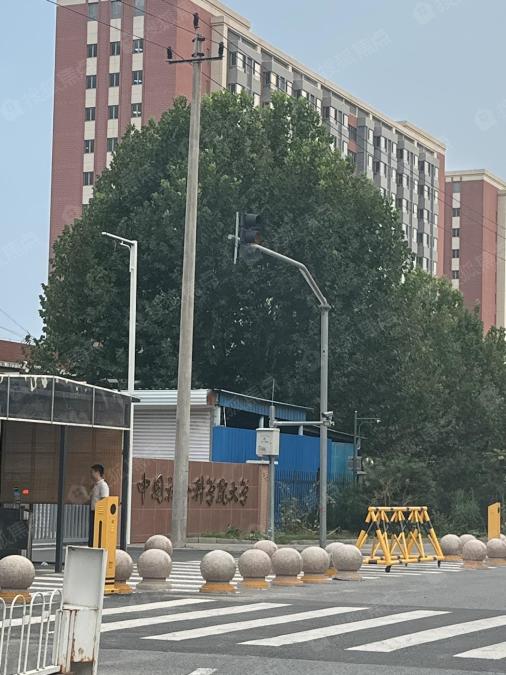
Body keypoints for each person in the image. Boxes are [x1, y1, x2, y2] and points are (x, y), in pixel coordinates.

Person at [88, 464, 110, 547]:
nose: (91, 474)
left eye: (92, 472)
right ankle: (92, 546)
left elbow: (104, 499)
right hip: (93, 511)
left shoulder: (103, 485)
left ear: (97, 472)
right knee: (92, 532)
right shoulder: (95, 485)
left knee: (97, 533)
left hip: (99, 513)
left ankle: (96, 547)